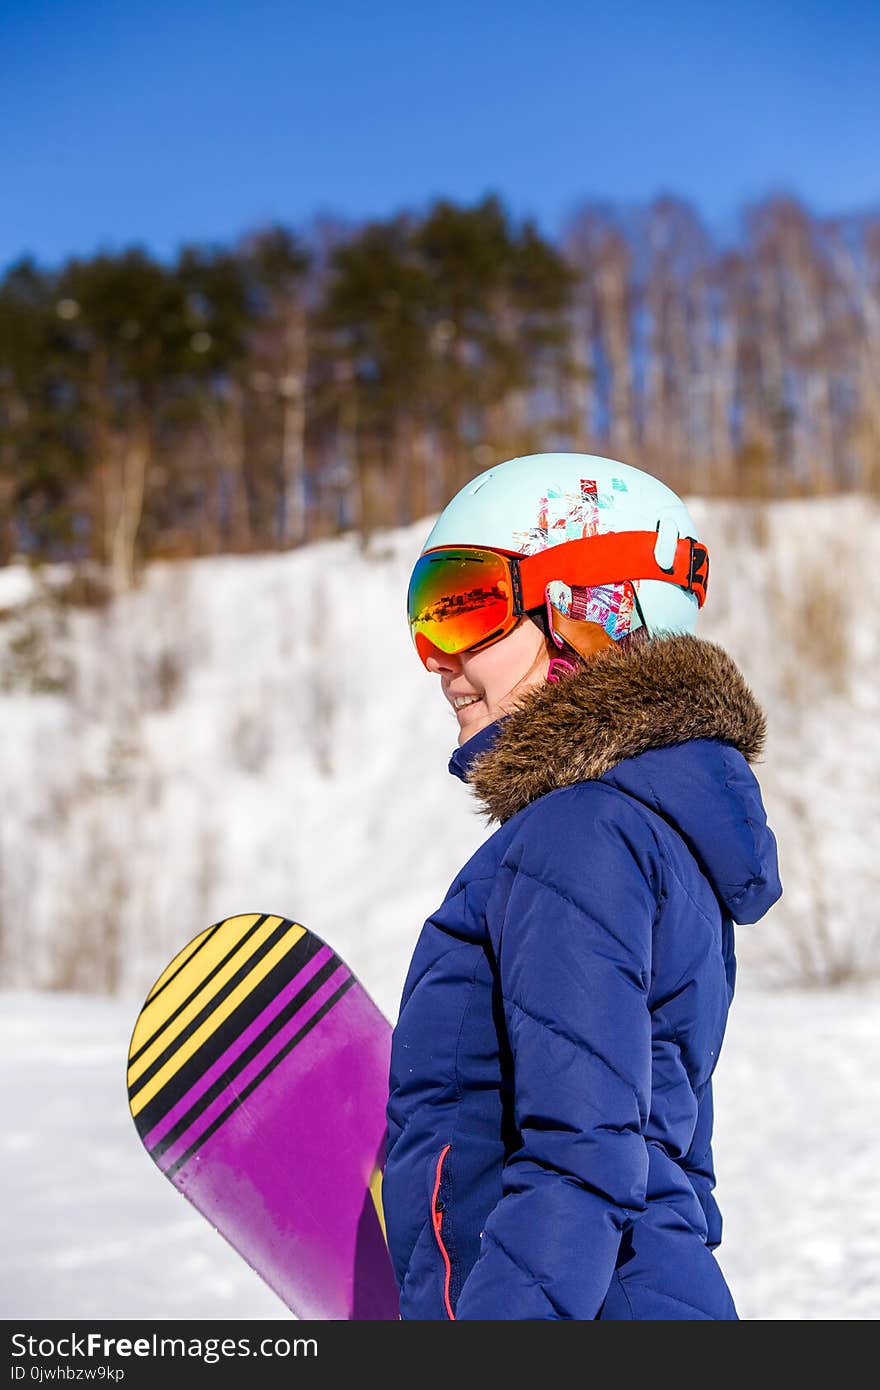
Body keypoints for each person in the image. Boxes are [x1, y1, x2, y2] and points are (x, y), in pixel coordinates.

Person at [382, 451, 782, 1321]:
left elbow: (581, 1160)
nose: (436, 656)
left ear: (587, 610)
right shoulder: (653, 829)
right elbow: (666, 1154)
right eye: (425, 618)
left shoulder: (579, 834)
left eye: (465, 606)